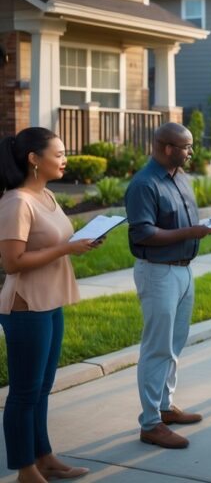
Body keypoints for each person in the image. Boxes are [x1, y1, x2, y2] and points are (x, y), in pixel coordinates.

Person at [0, 128, 98, 483]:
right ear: (33, 159)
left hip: (50, 302)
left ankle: (44, 457)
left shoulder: (47, 197)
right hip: (27, 306)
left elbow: (55, 242)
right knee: (25, 392)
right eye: (58, 154)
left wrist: (82, 243)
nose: (64, 159)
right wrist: (66, 249)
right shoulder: (16, 202)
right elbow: (12, 262)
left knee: (41, 388)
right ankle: (25, 469)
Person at [125, 122, 211, 450]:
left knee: (175, 344)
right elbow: (143, 234)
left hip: (183, 270)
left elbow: (185, 224)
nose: (191, 152)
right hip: (157, 273)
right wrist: (191, 233)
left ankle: (164, 408)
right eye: (186, 147)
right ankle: (150, 424)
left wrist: (200, 228)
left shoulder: (181, 178)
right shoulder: (144, 184)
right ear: (167, 148)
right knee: (157, 347)